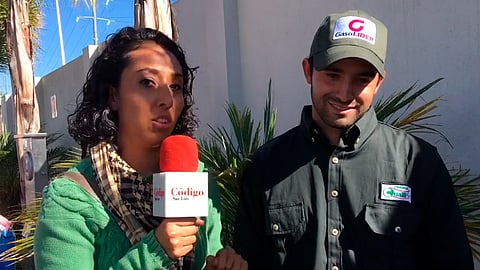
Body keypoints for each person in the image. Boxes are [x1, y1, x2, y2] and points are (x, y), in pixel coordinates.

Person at [233, 9, 473, 270]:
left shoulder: (417, 163)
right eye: (333, 75)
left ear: (379, 83)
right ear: (308, 70)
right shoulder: (266, 166)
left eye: (362, 79)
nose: (345, 93)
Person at [34, 27, 247, 270]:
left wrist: (221, 263)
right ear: (114, 96)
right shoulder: (70, 200)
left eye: (176, 86)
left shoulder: (197, 178)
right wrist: (155, 251)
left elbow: (208, 252)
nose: (166, 98)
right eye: (148, 82)